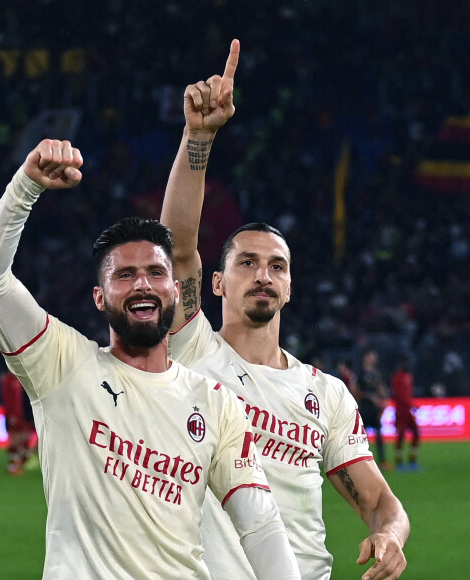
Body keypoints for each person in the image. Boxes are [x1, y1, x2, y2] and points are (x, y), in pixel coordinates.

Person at [0, 138, 301, 579]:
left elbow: (259, 524)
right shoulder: (62, 365)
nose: (143, 284)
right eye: (125, 275)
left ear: (176, 291)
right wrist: (25, 187)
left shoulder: (217, 404)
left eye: (156, 273)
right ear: (100, 298)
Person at [160, 39, 409, 580]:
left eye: (277, 265)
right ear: (218, 283)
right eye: (247, 263)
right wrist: (198, 138)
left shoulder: (326, 395)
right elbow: (178, 246)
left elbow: (379, 503)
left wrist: (389, 536)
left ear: (291, 287)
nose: (264, 274)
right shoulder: (191, 349)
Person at [357, 349, 391, 470]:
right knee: (361, 437)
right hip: (364, 408)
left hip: (375, 409)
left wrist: (384, 398)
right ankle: (360, 461)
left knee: (379, 434)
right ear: (366, 357)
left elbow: (381, 387)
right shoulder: (360, 373)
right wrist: (369, 397)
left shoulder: (377, 373)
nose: (374, 358)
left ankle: (382, 461)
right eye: (372, 356)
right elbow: (356, 390)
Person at [0, 369, 36, 475]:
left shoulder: (21, 378)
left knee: (25, 438)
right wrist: (10, 414)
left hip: (24, 414)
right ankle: (13, 466)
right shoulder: (7, 380)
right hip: (14, 415)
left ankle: (19, 464)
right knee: (15, 439)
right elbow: (6, 398)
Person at [390, 358, 420, 471]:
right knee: (401, 435)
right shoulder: (397, 378)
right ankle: (399, 462)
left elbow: (408, 394)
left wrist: (411, 405)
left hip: (408, 410)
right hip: (401, 411)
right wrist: (411, 404)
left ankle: (412, 461)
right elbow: (399, 395)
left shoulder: (409, 376)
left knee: (416, 433)